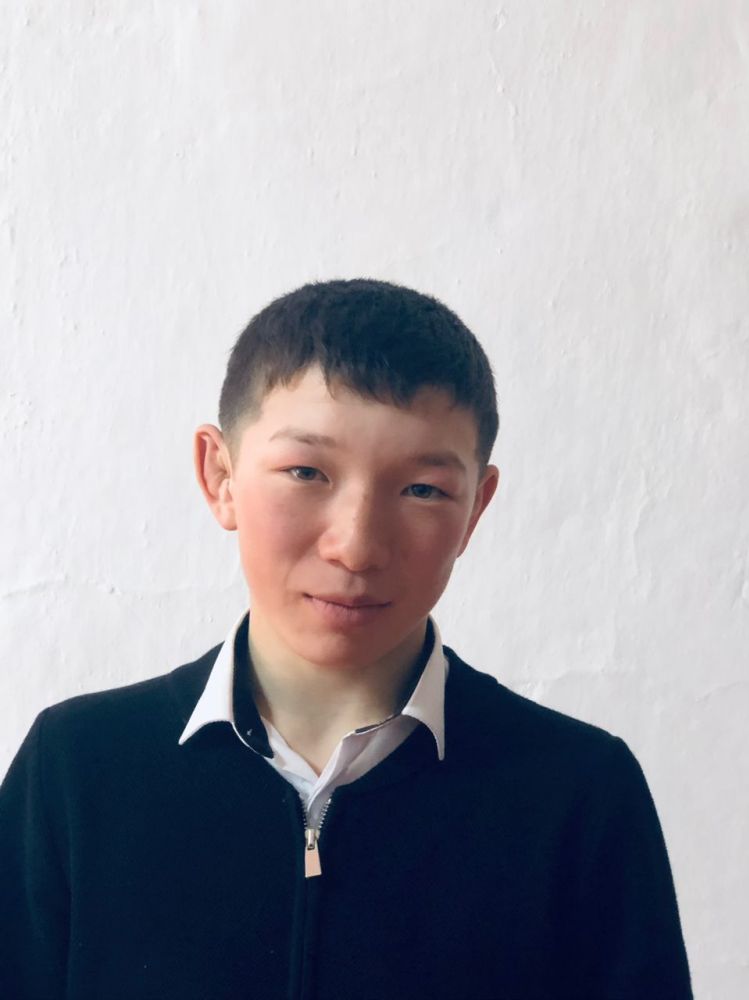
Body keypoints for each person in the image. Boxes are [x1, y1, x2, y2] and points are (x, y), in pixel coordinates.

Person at [0, 278, 692, 999]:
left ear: (476, 509)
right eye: (306, 472)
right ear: (221, 475)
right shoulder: (76, 769)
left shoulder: (578, 791)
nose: (356, 546)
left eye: (423, 489)